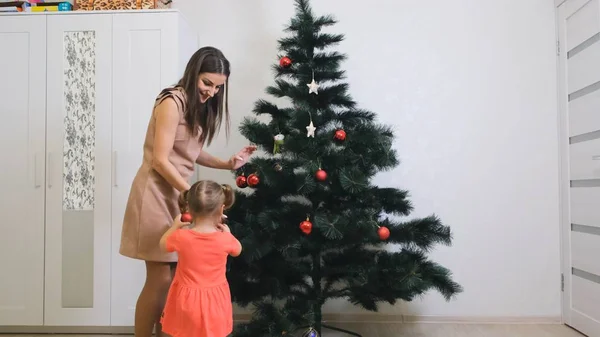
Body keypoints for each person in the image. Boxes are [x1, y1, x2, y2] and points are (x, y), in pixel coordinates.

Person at [119, 46, 256, 337]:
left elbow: (189, 152)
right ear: (193, 73)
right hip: (156, 193)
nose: (211, 92)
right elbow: (160, 159)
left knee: (171, 278)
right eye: (207, 83)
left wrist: (226, 163)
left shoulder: (199, 104)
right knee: (159, 278)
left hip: (179, 195)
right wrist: (193, 195)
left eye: (219, 87)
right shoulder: (172, 101)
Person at [159, 180, 241, 337]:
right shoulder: (225, 239)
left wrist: (175, 227)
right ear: (221, 209)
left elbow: (163, 246)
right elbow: (237, 250)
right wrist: (229, 234)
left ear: (188, 208)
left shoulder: (181, 237)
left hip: (186, 300)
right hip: (215, 300)